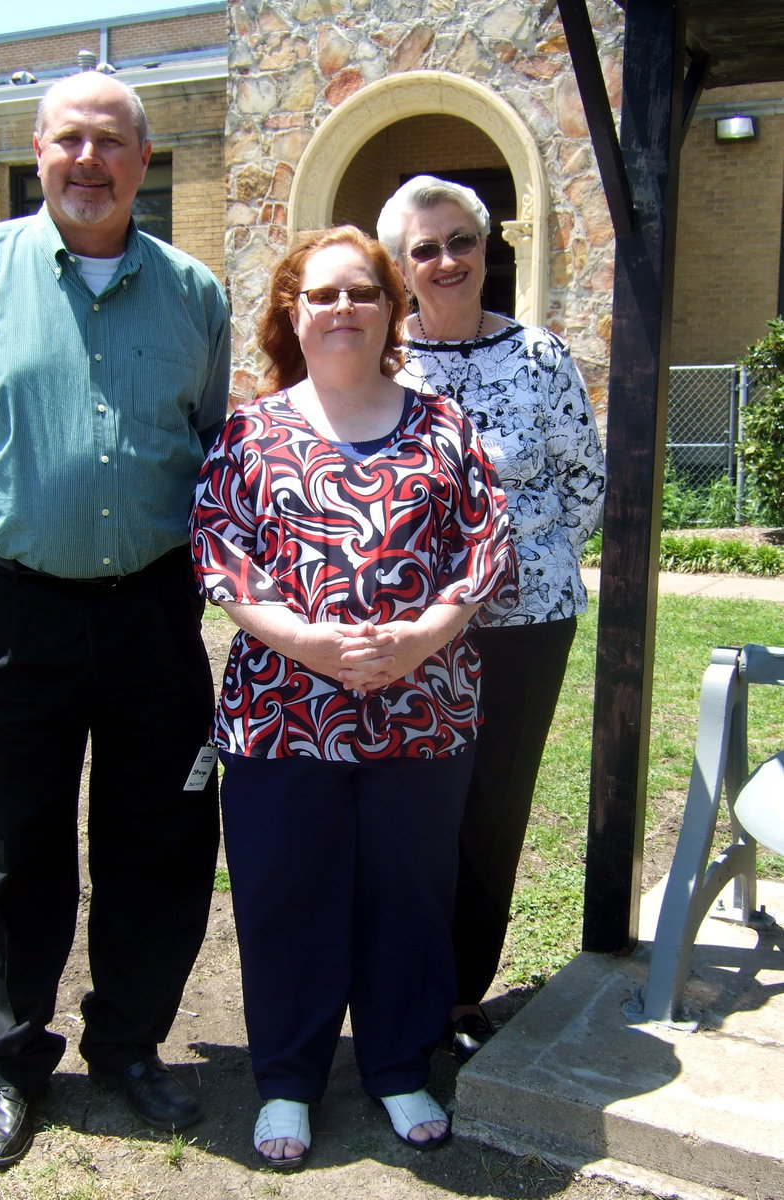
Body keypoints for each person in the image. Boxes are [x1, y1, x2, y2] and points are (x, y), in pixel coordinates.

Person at [0, 72, 229, 1169]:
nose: (89, 160)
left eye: (112, 142)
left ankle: (130, 1045)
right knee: (17, 846)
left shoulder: (196, 295)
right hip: (15, 615)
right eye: (69, 140)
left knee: (160, 841)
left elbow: (210, 435)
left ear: (146, 159)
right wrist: (16, 519)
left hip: (152, 616)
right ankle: (12, 1060)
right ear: (38, 152)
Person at [190, 225, 518, 1169]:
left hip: (424, 712)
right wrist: (305, 642)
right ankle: (288, 1079)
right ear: (294, 315)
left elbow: (484, 544)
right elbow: (217, 547)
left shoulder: (441, 425)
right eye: (322, 295)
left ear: (391, 310)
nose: (342, 309)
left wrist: (418, 637)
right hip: (281, 714)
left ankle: (397, 1063)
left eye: (362, 293)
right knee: (285, 896)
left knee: (408, 896)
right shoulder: (251, 430)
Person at [377, 176, 606, 1062]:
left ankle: (459, 994)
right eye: (424, 249)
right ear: (402, 266)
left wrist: (510, 564)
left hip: (525, 624)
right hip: (409, 630)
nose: (445, 261)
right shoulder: (384, 359)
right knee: (411, 807)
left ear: (487, 250)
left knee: (492, 807)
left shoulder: (540, 356)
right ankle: (400, 980)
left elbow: (584, 481)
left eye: (460, 241)